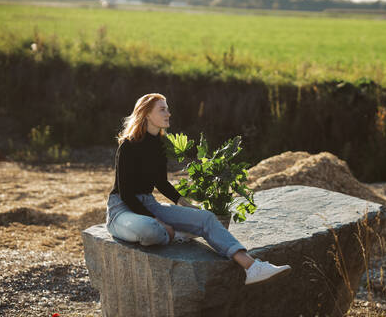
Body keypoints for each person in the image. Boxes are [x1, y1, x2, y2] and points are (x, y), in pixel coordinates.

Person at [105, 93, 292, 285]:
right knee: (150, 230)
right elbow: (126, 193)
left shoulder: (159, 145)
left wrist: (186, 205)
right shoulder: (128, 146)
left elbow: (161, 183)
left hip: (149, 204)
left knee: (206, 217)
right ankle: (175, 234)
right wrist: (159, 221)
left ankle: (252, 267)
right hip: (121, 210)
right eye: (162, 109)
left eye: (167, 108)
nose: (168, 113)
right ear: (145, 114)